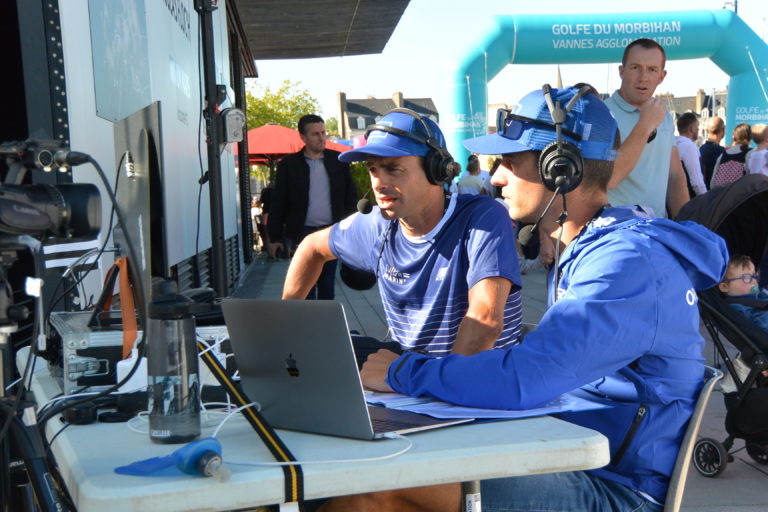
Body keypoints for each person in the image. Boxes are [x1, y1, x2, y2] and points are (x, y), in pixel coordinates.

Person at [350, 86, 727, 512]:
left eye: (511, 163)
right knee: (381, 464)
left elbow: (524, 379)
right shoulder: (587, 248)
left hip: (615, 488)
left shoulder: (626, 263)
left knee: (378, 487)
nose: (497, 178)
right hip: (565, 451)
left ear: (560, 170)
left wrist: (401, 372)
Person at [280, 108, 523, 358]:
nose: (378, 183)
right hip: (407, 376)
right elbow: (311, 246)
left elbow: (485, 323)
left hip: (474, 378)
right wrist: (284, 324)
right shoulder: (374, 225)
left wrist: (421, 376)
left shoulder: (483, 218)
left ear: (437, 170)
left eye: (393, 169)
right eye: (373, 169)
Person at [267, 114, 358, 299]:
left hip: (331, 232)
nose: (322, 138)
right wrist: (274, 237)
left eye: (323, 133)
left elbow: (350, 197)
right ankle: (308, 318)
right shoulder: (289, 165)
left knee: (327, 286)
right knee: (304, 289)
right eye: (316, 134)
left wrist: (353, 230)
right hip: (301, 234)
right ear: (303, 137)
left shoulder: (338, 161)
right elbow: (279, 201)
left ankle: (325, 318)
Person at [604, 38, 689, 218]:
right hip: (618, 229)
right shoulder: (603, 114)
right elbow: (609, 178)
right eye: (635, 67)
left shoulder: (664, 115)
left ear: (661, 76)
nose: (643, 77)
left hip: (658, 227)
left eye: (652, 70)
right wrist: (645, 125)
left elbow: (675, 176)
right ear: (621, 71)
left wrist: (687, 225)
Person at [718, 254, 768, 332]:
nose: (754, 281)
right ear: (725, 287)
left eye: (754, 276)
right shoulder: (739, 310)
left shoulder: (757, 296)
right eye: (747, 278)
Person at [675, 112, 707, 196]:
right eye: (697, 127)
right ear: (692, 129)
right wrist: (706, 199)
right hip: (689, 198)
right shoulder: (689, 147)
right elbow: (697, 182)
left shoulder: (673, 145)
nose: (698, 130)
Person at [711, 123, 752, 188]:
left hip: (720, 192)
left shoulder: (723, 154)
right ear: (750, 136)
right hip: (739, 192)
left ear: (734, 137)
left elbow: (713, 180)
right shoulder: (751, 153)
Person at [699, 116, 726, 187]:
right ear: (723, 130)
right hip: (715, 191)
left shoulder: (701, 149)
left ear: (707, 131)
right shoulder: (721, 151)